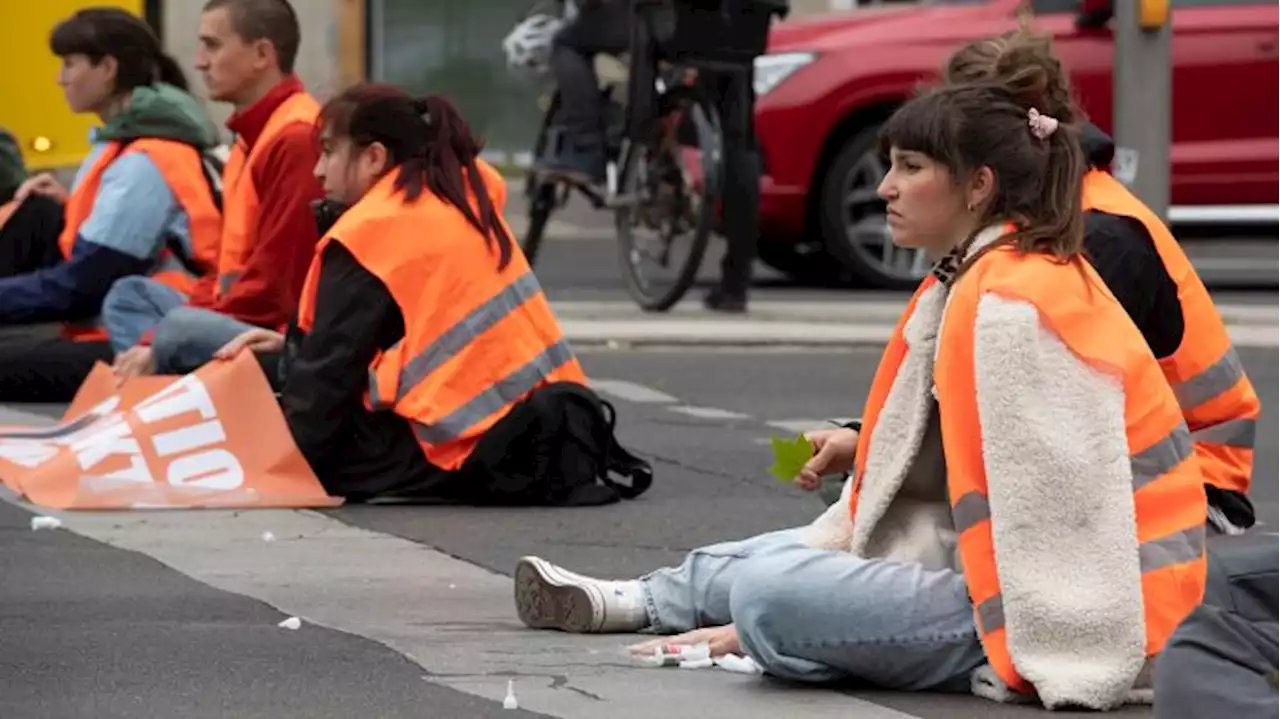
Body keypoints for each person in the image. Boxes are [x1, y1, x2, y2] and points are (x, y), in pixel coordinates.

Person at [515, 80, 1210, 710]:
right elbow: (975, 465)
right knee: (794, 560)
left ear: (978, 187)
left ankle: (736, 619)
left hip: (1076, 603)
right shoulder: (981, 275)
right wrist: (862, 459)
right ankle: (636, 599)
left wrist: (788, 615)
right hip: (1014, 571)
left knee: (773, 590)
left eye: (910, 167)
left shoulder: (1012, 303)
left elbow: (1057, 527)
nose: (884, 188)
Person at [212, 83, 599, 503]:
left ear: (374, 158)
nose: (318, 170)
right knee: (270, 371)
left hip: (471, 448)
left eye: (329, 151)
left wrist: (270, 468)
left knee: (233, 379)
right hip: (555, 437)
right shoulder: (453, 201)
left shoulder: (376, 231)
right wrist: (291, 351)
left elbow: (323, 390)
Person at [941, 29, 1261, 534]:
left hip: (1185, 487)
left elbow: (1039, 420)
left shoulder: (1096, 238)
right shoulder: (1059, 215)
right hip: (1152, 472)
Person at [504, 0, 785, 313]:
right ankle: (736, 282)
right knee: (737, 140)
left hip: (672, 21)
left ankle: (587, 145)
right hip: (745, 24)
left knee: (568, 42)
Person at [0, 8, 222, 402]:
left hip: (141, 337)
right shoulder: (132, 140)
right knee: (37, 214)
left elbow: (81, 287)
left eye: (69, 64)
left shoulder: (145, 161)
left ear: (107, 68)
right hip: (130, 313)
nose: (60, 78)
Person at [105, 0, 323, 379]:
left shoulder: (296, 138)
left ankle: (168, 404)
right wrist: (155, 339)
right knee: (130, 297)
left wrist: (160, 338)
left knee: (179, 331)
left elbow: (273, 292)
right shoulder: (249, 140)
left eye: (213, 45)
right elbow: (228, 270)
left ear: (261, 54)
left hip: (281, 337)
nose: (199, 62)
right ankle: (166, 394)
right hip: (240, 313)